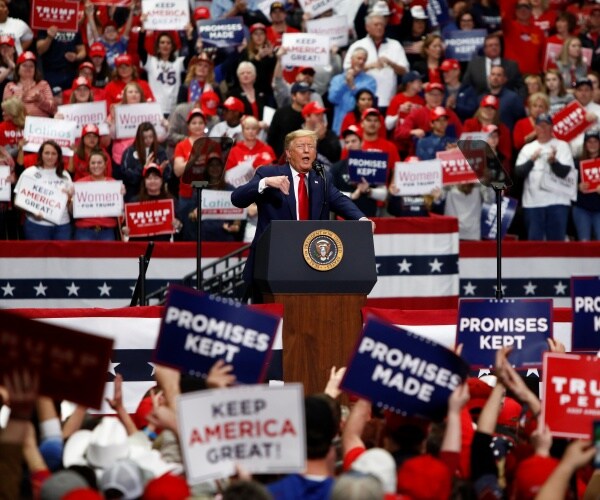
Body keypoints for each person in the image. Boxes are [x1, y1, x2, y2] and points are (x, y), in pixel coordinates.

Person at [231, 129, 371, 295]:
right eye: (301, 146)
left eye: (311, 146)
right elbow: (237, 199)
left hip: (310, 263)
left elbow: (340, 200)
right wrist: (265, 183)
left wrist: (361, 219)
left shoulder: (322, 178)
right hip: (272, 263)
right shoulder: (269, 173)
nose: (307, 150)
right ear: (289, 153)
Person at [515, 113, 575, 240]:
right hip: (533, 203)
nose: (542, 129)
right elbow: (518, 173)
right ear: (535, 128)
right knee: (535, 245)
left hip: (558, 202)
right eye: (540, 126)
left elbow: (565, 173)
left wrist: (554, 162)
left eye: (545, 126)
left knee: (556, 245)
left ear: (551, 128)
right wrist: (531, 160)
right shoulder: (528, 148)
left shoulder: (562, 146)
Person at [343, 12, 410, 110]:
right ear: (367, 27)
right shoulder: (357, 46)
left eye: (381, 25)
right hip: (363, 102)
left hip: (388, 100)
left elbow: (405, 71)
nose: (379, 27)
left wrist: (391, 64)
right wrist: (369, 66)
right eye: (376, 25)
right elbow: (347, 71)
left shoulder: (395, 45)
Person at [13, 140, 73, 240]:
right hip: (36, 225)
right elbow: (17, 201)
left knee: (61, 256)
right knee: (37, 256)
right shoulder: (29, 173)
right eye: (47, 153)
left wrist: (70, 199)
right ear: (41, 154)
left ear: (59, 156)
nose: (50, 157)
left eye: (54, 153)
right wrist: (33, 212)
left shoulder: (65, 175)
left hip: (63, 226)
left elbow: (71, 207)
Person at [331, 125, 388, 218]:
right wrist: (352, 195)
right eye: (347, 142)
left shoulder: (374, 163)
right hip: (343, 219)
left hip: (368, 217)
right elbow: (331, 194)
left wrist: (369, 191)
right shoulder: (337, 167)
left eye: (353, 141)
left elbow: (384, 195)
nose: (350, 144)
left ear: (361, 142)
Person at [328, 47, 377, 136]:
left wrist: (352, 87)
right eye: (359, 58)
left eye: (364, 60)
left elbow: (367, 102)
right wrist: (345, 83)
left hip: (361, 128)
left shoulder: (370, 81)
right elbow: (332, 99)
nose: (361, 62)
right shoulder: (337, 79)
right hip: (340, 126)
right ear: (351, 59)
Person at [73, 150, 121, 241]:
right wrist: (71, 200)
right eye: (93, 163)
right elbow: (72, 211)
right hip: (84, 230)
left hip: (107, 230)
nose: (96, 166)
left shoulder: (114, 184)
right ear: (89, 165)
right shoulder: (80, 184)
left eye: (99, 163)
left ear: (105, 164)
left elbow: (120, 212)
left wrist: (121, 196)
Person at [121, 122, 170, 202]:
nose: (148, 140)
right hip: (134, 194)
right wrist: (143, 167)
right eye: (144, 138)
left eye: (151, 137)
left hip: (156, 195)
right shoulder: (129, 152)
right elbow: (127, 176)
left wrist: (161, 172)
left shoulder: (160, 151)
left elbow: (168, 175)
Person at [3, 51, 55, 118]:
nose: (28, 68)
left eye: (31, 66)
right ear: (18, 69)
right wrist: (20, 96)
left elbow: (53, 109)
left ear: (35, 70)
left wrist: (41, 101)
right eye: (24, 65)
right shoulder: (10, 86)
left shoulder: (44, 84)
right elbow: (6, 112)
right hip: (17, 125)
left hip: (40, 125)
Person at [267, 82, 312, 158]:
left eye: (308, 93)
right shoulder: (281, 113)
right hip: (282, 158)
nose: (306, 96)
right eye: (303, 93)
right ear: (293, 96)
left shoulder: (312, 115)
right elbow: (271, 137)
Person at [573, 129, 600, 240]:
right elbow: (566, 184)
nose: (592, 144)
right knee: (584, 243)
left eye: (595, 141)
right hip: (582, 208)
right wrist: (578, 187)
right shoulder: (576, 163)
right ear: (585, 145)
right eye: (589, 142)